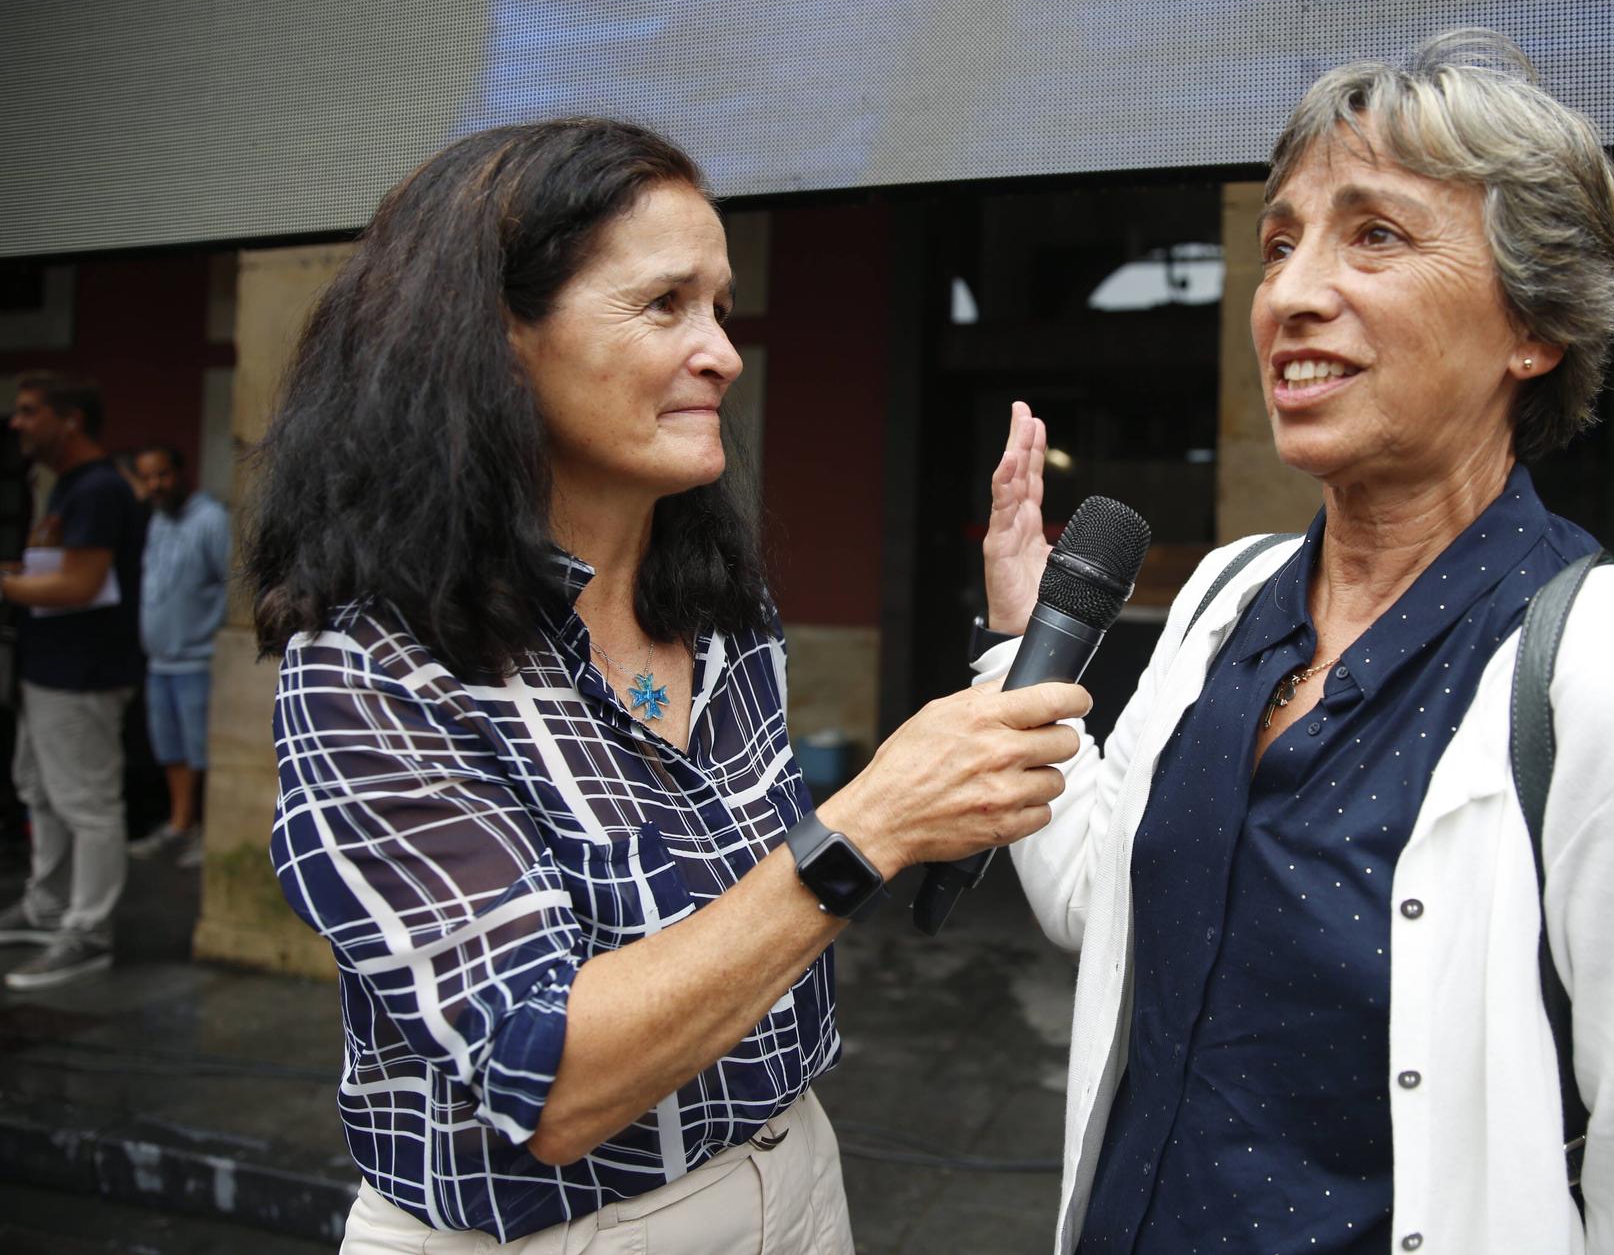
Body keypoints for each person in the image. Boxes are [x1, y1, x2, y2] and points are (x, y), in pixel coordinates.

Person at [980, 31, 1614, 1254]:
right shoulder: (1230, 597)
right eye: (1280, 242)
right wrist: (1024, 639)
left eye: (1372, 235)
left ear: (1531, 326)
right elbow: (1097, 904)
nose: (1288, 291)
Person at [249, 118, 1088, 1252]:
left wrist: (1001, 662)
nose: (723, 352)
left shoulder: (719, 609)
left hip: (794, 1174)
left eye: (721, 307)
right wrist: (869, 820)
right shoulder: (373, 662)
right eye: (662, 306)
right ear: (495, 341)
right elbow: (549, 1080)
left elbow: (759, 914)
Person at [0, 374, 147, 990]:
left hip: (82, 674)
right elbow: (54, 571)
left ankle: (87, 931)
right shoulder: (67, 489)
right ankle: (49, 902)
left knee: (86, 803)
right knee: (39, 788)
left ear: (70, 421)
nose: (16, 422)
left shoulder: (98, 489)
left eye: (30, 411)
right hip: (48, 666)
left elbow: (78, 586)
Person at [128, 444, 231, 868]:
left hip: (197, 661)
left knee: (200, 751)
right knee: (171, 751)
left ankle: (208, 830)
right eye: (147, 477)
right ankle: (179, 823)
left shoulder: (211, 521)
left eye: (162, 475)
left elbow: (232, 584)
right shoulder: (157, 521)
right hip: (159, 662)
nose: (155, 485)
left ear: (181, 473)